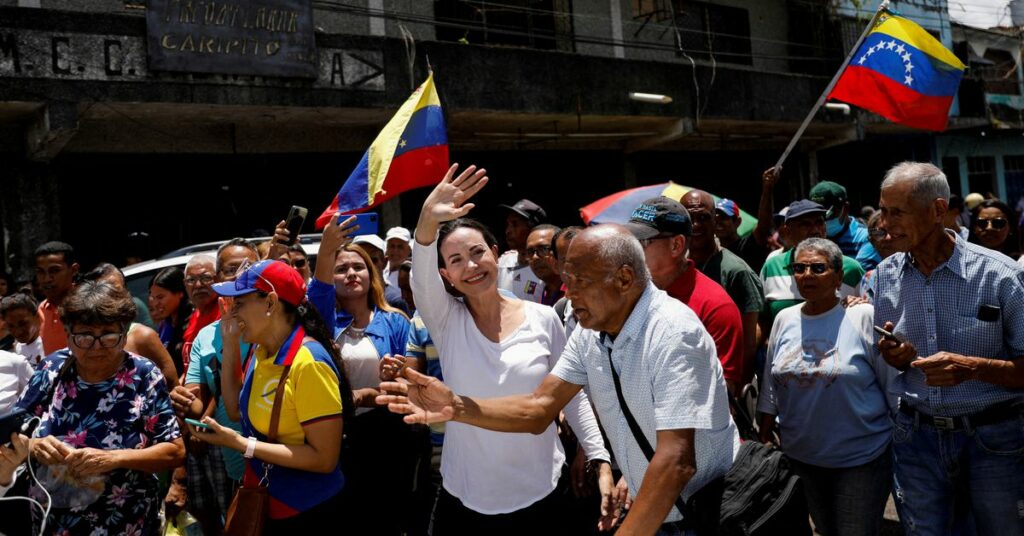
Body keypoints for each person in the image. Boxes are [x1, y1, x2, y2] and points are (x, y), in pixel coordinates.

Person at [380, 219, 740, 534]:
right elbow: (540, 408)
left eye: (579, 281)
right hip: (647, 506)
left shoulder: (673, 332)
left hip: (698, 514)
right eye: (567, 280)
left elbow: (676, 462)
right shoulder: (588, 333)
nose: (568, 293)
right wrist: (456, 407)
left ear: (625, 279)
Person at [406, 165, 610, 533]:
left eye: (476, 252)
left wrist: (597, 454)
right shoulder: (446, 322)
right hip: (464, 497)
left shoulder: (544, 318)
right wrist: (425, 222)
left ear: (495, 254)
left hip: (541, 494)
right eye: (455, 261)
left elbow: (569, 394)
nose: (470, 265)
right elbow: (419, 282)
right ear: (446, 276)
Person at [875, 161, 1024, 535]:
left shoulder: (1001, 275)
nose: (884, 223)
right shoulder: (885, 275)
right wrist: (894, 356)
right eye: (883, 210)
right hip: (916, 438)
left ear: (938, 210)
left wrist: (972, 368)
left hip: (994, 441)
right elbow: (892, 353)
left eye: (897, 212)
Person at [191, 260, 353, 533]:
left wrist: (244, 445)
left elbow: (324, 459)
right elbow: (234, 410)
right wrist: (230, 341)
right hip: (274, 505)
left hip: (309, 511)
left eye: (239, 303)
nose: (232, 312)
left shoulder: (308, 362)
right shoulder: (263, 350)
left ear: (270, 303)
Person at [15, 281, 185, 535]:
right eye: (84, 336)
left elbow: (174, 451)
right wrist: (33, 445)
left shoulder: (143, 375)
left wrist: (112, 458)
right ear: (69, 335)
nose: (96, 346)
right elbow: (13, 432)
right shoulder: (52, 369)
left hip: (126, 521)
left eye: (108, 335)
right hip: (55, 522)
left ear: (124, 334)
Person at [757, 238, 895, 536]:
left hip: (861, 457)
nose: (806, 275)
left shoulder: (862, 316)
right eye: (799, 268)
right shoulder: (784, 319)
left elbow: (891, 384)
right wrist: (765, 429)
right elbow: (771, 383)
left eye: (817, 268)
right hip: (801, 456)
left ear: (837, 275)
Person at [168, 241, 259, 536]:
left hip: (275, 454)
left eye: (249, 268)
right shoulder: (207, 336)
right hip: (232, 459)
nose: (239, 276)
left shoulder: (280, 324)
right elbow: (195, 396)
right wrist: (184, 399)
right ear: (220, 278)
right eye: (231, 270)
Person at [626, 196, 747, 394]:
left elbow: (723, 394)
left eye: (643, 241)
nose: (632, 250)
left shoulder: (716, 307)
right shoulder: (628, 296)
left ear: (676, 245)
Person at [683, 190, 765, 376]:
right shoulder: (673, 268)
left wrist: (738, 387)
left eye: (703, 217)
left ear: (714, 221)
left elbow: (748, 342)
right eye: (689, 217)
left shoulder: (737, 271)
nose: (695, 225)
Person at [760, 199, 865, 340]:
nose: (815, 230)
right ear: (787, 230)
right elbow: (762, 321)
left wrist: (860, 304)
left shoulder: (851, 269)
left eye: (819, 222)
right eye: (805, 224)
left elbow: (867, 313)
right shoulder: (771, 267)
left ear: (838, 276)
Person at [79, 263, 180, 390]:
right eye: (102, 291)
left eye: (115, 291)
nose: (109, 297)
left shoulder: (143, 337)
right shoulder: (79, 339)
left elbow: (173, 390)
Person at [714, 167, 778, 273]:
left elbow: (763, 226)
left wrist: (767, 189)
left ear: (737, 222)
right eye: (715, 219)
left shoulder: (747, 246)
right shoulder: (711, 253)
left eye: (724, 217)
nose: (718, 222)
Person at [810, 180, 883, 271]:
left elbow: (856, 277)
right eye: (818, 217)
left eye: (830, 215)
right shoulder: (812, 239)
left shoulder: (866, 238)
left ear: (846, 208)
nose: (825, 221)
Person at [497, 199, 547, 303]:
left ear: (533, 227)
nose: (508, 231)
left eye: (515, 224)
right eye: (508, 225)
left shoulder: (547, 267)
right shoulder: (503, 261)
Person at [34, 241, 79, 355]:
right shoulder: (42, 309)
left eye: (54, 271)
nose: (47, 279)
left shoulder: (90, 304)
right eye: (41, 272)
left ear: (74, 270)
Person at [181, 253, 222, 372]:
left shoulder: (227, 314)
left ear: (218, 279)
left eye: (206, 278)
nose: (198, 285)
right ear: (185, 284)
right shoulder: (194, 316)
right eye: (191, 280)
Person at [352, 234, 411, 315]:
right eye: (360, 260)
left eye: (373, 260)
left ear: (384, 262)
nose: (367, 266)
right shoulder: (342, 300)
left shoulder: (396, 301)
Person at [149, 266, 191, 373]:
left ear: (180, 293)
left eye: (160, 297)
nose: (155, 304)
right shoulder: (165, 324)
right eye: (153, 297)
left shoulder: (193, 321)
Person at [525, 224, 565, 306]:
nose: (535, 257)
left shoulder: (576, 293)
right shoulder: (539, 295)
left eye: (543, 249)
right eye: (530, 251)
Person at [0, 294, 44, 366]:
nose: (18, 332)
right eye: (11, 326)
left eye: (23, 324)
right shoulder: (18, 347)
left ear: (37, 317)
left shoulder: (49, 345)